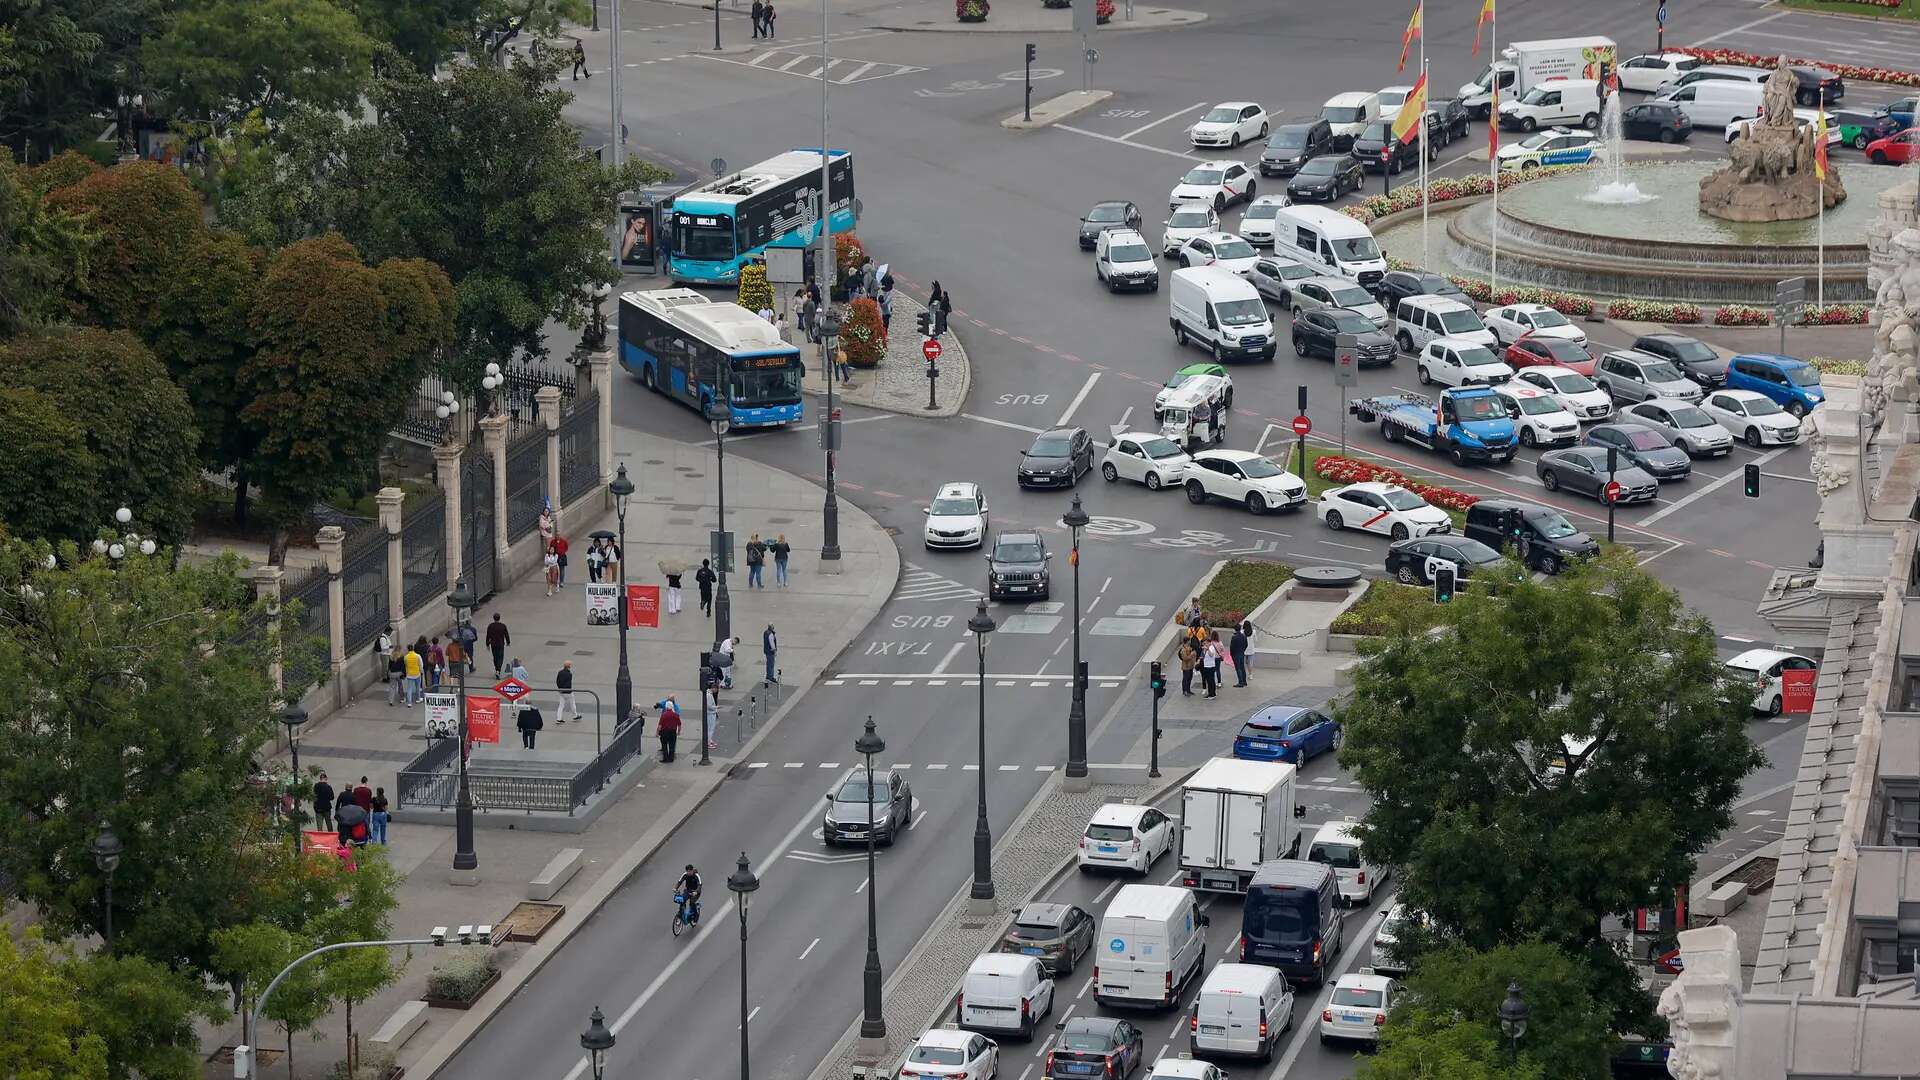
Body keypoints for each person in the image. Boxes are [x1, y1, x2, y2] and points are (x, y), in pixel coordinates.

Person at [657, 696, 682, 761]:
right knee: (672, 745)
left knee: (664, 745)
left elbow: (660, 725)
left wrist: (657, 732)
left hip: (664, 732)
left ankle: (665, 758)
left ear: (667, 707)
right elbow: (679, 724)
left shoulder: (664, 715)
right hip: (673, 732)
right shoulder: (676, 715)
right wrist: (678, 732)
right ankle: (671, 758)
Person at [556, 660, 579, 724]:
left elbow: (557, 681)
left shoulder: (560, 672)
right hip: (568, 692)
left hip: (561, 691)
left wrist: (560, 689)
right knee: (572, 703)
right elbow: (568, 684)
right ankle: (575, 715)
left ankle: (559, 718)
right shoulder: (569, 674)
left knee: (561, 705)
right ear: (569, 666)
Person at [1201, 633, 1221, 698]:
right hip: (1207, 666)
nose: (1205, 644)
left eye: (1206, 643)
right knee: (1209, 680)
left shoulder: (1211, 648)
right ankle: (1211, 693)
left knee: (1210, 681)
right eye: (1204, 643)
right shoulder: (1207, 648)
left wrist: (1207, 649)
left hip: (1210, 666)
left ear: (1209, 642)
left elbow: (1211, 655)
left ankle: (1212, 694)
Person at [1229, 623, 1250, 688]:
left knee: (1238, 668)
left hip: (1236, 654)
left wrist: (1231, 654)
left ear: (1235, 629)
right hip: (1241, 653)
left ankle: (1240, 682)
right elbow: (1246, 644)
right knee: (1242, 668)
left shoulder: (1234, 637)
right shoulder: (1244, 636)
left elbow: (1232, 647)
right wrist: (1243, 650)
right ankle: (1244, 681)